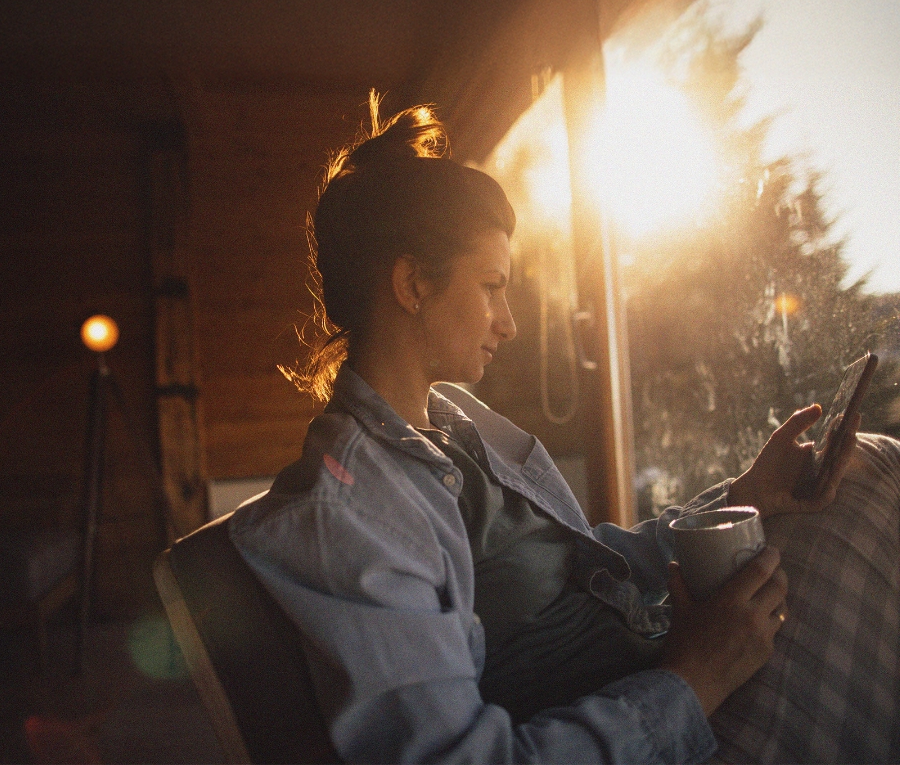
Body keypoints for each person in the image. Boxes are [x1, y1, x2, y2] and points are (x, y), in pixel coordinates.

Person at [228, 96, 899, 763]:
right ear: (412, 284)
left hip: (663, 668)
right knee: (882, 477)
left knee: (864, 468)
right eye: (492, 285)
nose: (508, 321)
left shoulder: (454, 426)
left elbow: (582, 567)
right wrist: (692, 683)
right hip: (670, 723)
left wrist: (746, 493)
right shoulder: (354, 513)